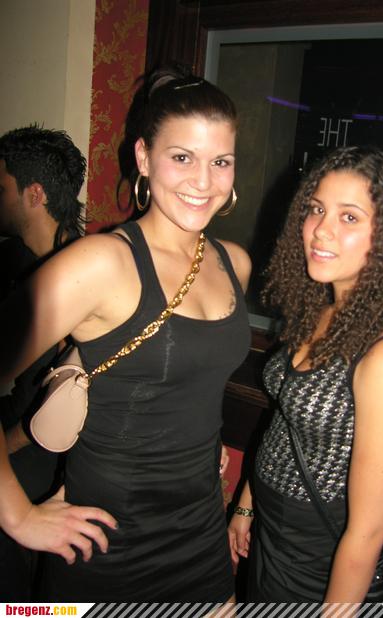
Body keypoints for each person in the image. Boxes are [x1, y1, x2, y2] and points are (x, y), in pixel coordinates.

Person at [1, 68, 251, 602]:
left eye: (220, 162)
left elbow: (194, 381)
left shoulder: (235, 263)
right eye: (182, 157)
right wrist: (19, 516)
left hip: (201, 529)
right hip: (107, 545)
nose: (203, 181)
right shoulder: (100, 263)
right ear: (143, 157)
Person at [228, 145, 383, 603]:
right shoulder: (325, 309)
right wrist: (247, 503)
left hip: (321, 556)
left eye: (349, 217)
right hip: (272, 531)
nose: (320, 229)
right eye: (316, 209)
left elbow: (367, 532)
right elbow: (287, 418)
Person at [0, 125, 117, 600]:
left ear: (34, 194)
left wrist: (11, 443)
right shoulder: (11, 260)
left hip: (48, 454)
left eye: (1, 189)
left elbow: (63, 410)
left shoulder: (85, 275)